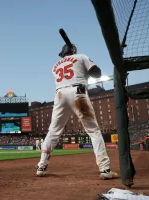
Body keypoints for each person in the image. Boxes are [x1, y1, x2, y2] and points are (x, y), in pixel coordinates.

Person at [35, 43, 118, 180]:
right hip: (78, 93)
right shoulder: (81, 57)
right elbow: (97, 74)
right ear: (73, 50)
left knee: (53, 132)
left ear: (63, 52)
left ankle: (41, 166)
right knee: (93, 131)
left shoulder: (55, 67)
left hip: (59, 95)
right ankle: (105, 169)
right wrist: (88, 69)